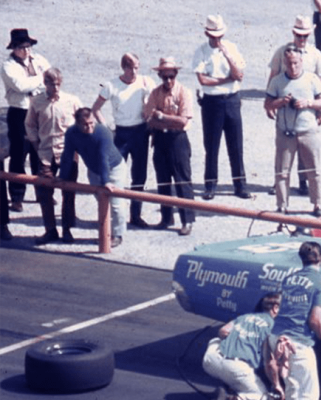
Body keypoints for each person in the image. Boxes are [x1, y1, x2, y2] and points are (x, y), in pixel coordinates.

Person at [269, 241, 321, 400]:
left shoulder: (288, 279)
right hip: (297, 342)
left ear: (301, 258)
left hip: (277, 335)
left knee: (293, 384)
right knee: (308, 390)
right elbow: (315, 320)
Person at [267, 15, 321, 198]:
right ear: (293, 33)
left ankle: (304, 183)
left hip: (308, 107)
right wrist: (271, 103)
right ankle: (280, 187)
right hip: (286, 107)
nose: (302, 39)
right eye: (298, 35)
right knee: (284, 147)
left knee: (307, 147)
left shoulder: (316, 54)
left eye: (305, 36)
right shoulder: (282, 52)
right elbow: (273, 76)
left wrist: (320, 109)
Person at [91, 53, 156, 229]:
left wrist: (148, 111)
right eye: (130, 67)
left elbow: (155, 101)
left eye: (136, 67)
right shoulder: (112, 85)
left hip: (141, 132)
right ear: (123, 67)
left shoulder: (145, 82)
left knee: (139, 175)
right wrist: (105, 128)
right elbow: (95, 108)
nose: (134, 71)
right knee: (116, 175)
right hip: (121, 134)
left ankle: (136, 214)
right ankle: (115, 217)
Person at [193, 15, 250, 201]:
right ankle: (210, 185)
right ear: (207, 34)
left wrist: (227, 55)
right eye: (213, 36)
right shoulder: (201, 51)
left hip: (232, 100)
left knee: (236, 145)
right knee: (211, 145)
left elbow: (239, 74)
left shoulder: (231, 48)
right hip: (212, 103)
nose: (216, 40)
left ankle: (240, 184)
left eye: (219, 36)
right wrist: (225, 79)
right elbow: (203, 79)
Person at [25, 68, 81, 245]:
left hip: (68, 155)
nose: (56, 87)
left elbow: (84, 123)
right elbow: (30, 125)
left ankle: (67, 229)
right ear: (45, 83)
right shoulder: (36, 102)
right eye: (52, 84)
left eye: (58, 84)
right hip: (45, 156)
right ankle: (50, 230)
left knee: (69, 193)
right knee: (44, 193)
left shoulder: (72, 101)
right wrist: (36, 145)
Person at [59, 108, 130, 248]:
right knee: (101, 200)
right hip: (94, 169)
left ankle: (117, 234)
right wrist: (62, 177)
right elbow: (67, 155)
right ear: (77, 123)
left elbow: (103, 158)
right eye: (85, 124)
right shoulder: (71, 133)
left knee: (116, 204)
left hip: (114, 168)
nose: (90, 127)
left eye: (92, 123)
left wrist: (106, 182)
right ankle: (105, 230)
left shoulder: (103, 133)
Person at [204, 293, 283, 400]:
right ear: (275, 308)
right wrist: (276, 385)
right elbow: (270, 364)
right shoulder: (273, 327)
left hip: (210, 361)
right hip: (237, 368)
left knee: (215, 341)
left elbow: (223, 331)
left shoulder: (244, 317)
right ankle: (230, 399)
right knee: (264, 396)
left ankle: (229, 385)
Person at [144, 57, 196, 236]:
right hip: (160, 140)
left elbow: (183, 122)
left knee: (182, 181)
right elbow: (148, 119)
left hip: (178, 140)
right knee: (163, 180)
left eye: (171, 76)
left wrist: (162, 117)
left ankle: (187, 219)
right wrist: (161, 121)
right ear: (159, 75)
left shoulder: (184, 92)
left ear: (176, 74)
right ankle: (166, 217)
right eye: (164, 77)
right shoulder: (155, 93)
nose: (168, 81)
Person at [2, 29, 50, 213]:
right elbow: (21, 86)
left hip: (38, 110)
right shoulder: (8, 66)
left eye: (28, 47)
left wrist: (37, 81)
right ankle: (16, 197)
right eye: (22, 48)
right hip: (20, 112)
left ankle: (42, 193)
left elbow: (51, 75)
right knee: (18, 154)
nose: (26, 51)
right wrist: (41, 80)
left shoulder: (39, 60)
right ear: (14, 48)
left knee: (39, 152)